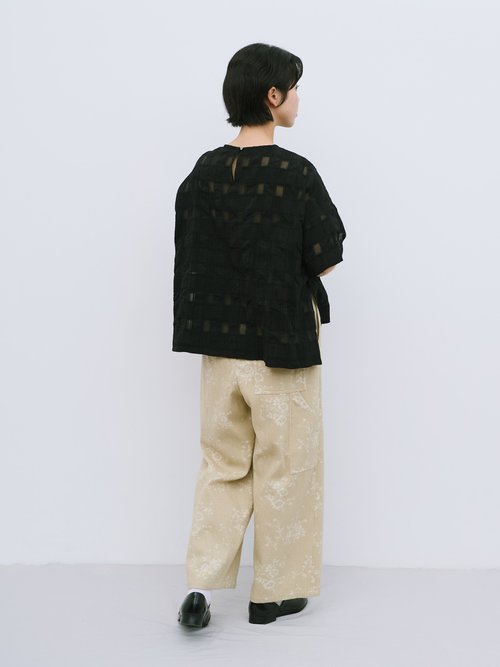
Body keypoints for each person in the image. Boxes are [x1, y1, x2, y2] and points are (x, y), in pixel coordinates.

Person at [174, 43, 346, 628]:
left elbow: (191, 256)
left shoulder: (201, 172)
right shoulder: (295, 174)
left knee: (222, 464)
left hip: (219, 349)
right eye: (292, 88)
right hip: (281, 348)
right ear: (273, 96)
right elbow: (326, 257)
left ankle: (199, 588)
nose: (297, 98)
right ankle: (271, 595)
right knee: (286, 465)